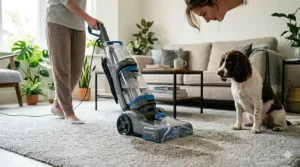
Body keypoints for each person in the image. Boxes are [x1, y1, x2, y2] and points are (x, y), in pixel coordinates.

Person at [45, 0, 102, 124]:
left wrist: (87, 19)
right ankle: (69, 113)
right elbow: (68, 1)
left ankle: (57, 105)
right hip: (57, 21)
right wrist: (89, 19)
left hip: (78, 24)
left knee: (76, 69)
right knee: (62, 68)